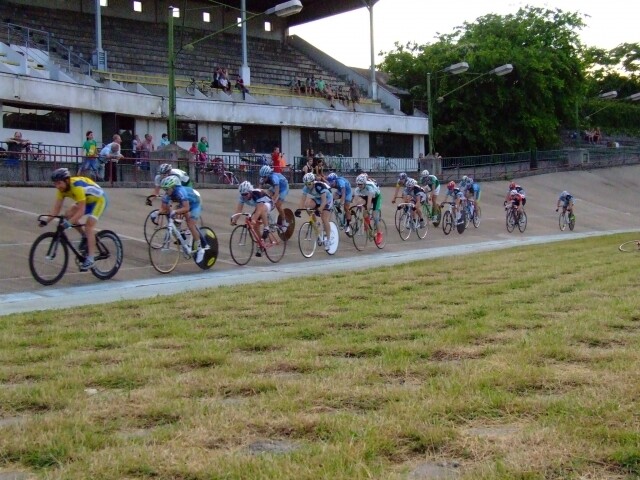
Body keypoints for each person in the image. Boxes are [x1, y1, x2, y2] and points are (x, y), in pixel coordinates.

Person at [40, 168, 107, 271]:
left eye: (59, 183)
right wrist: (46, 221)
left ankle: (90, 258)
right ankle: (84, 236)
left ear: (67, 181)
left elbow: (81, 211)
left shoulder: (76, 187)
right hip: (87, 200)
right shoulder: (61, 190)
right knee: (67, 215)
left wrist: (69, 224)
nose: (57, 186)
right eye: (55, 184)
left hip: (99, 200)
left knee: (89, 226)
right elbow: (56, 210)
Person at [157, 176, 209, 263]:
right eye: (164, 189)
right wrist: (156, 213)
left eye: (167, 189)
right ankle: (184, 241)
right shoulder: (167, 194)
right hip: (184, 204)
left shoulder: (181, 191)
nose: (166, 191)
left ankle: (200, 248)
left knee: (190, 224)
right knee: (175, 220)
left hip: (195, 203)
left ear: (173, 187)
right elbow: (163, 209)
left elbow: (187, 208)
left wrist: (175, 211)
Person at [230, 181, 273, 257]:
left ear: (250, 191)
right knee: (255, 226)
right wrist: (234, 220)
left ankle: (266, 228)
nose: (244, 196)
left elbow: (259, 209)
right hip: (259, 206)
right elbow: (239, 210)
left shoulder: (257, 193)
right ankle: (261, 244)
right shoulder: (242, 197)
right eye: (242, 194)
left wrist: (253, 219)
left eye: (246, 194)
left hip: (268, 203)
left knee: (261, 210)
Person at [296, 172, 334, 251]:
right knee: (308, 205)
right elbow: (302, 200)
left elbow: (324, 201)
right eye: (305, 183)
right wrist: (299, 210)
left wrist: (319, 210)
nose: (307, 185)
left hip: (327, 199)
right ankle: (315, 222)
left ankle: (328, 240)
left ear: (313, 182)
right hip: (318, 198)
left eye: (309, 183)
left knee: (324, 218)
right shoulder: (306, 187)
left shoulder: (319, 186)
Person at [353, 173, 383, 244]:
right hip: (366, 196)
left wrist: (367, 210)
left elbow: (369, 203)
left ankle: (379, 233)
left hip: (376, 197)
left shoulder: (370, 188)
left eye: (361, 184)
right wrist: (354, 209)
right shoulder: (357, 189)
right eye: (358, 184)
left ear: (364, 183)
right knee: (363, 210)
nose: (359, 186)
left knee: (375, 217)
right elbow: (355, 201)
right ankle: (367, 222)